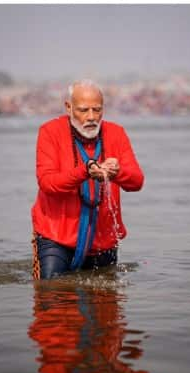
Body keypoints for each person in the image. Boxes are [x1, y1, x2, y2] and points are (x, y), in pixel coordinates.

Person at [31, 79, 144, 280]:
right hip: (55, 237)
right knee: (51, 297)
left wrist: (117, 172)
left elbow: (137, 182)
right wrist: (85, 171)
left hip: (103, 240)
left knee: (105, 305)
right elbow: (47, 183)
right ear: (68, 107)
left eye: (97, 110)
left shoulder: (116, 133)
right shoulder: (49, 131)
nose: (91, 117)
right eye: (83, 110)